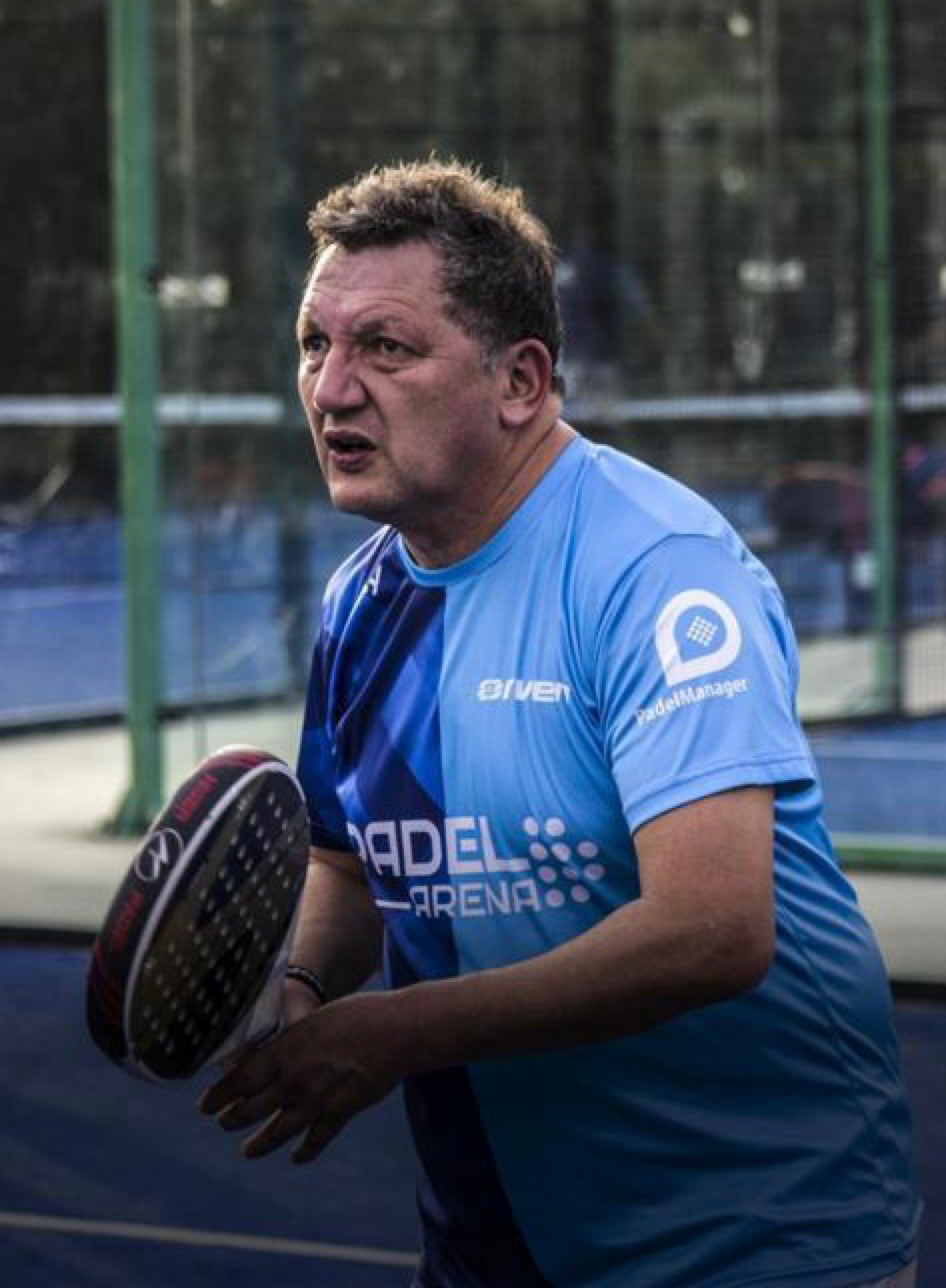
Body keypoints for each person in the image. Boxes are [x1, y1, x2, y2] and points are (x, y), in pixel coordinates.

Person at [200, 159, 922, 1287]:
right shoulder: (361, 601)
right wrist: (300, 989)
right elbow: (347, 864)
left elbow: (713, 930)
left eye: (385, 347)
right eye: (313, 344)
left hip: (757, 1246)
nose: (332, 389)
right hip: (489, 1250)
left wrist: (393, 1032)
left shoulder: (658, 571)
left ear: (521, 380)